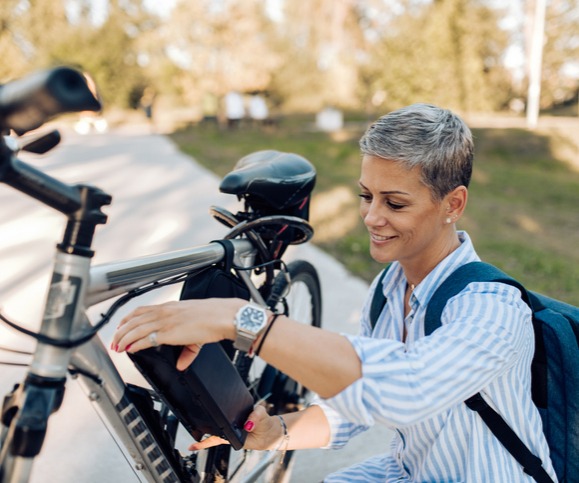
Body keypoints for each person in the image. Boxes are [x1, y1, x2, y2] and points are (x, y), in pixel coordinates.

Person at [112, 104, 557, 482]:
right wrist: (276, 431)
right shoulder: (391, 288)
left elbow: (403, 391)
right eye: (367, 196)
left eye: (394, 203)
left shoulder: (491, 308)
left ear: (453, 205)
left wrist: (240, 319)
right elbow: (357, 404)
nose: (371, 217)